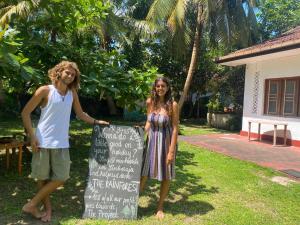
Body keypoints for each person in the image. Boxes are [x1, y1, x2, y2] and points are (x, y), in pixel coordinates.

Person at [21, 60, 109, 222]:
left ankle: (32, 204)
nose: (70, 76)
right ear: (59, 72)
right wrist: (32, 137)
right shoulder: (45, 90)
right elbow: (25, 113)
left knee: (61, 177)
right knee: (42, 178)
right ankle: (46, 210)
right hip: (42, 142)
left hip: (61, 143)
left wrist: (96, 122)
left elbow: (81, 114)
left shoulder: (72, 93)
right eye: (67, 72)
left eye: (73, 74)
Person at [140, 77, 179, 219]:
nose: (160, 88)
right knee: (144, 172)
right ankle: (132, 201)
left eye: (163, 86)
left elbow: (175, 128)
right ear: (155, 88)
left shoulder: (172, 105)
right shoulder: (150, 102)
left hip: (166, 143)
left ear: (167, 88)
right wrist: (140, 135)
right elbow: (148, 123)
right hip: (151, 142)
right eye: (158, 86)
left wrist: (171, 151)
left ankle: (160, 206)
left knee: (166, 175)